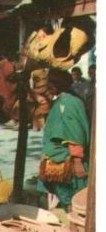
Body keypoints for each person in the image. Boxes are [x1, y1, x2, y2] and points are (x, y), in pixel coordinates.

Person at [37, 69, 90, 211]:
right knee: (66, 198)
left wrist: (78, 161)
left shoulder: (67, 104)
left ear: (54, 86)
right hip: (59, 159)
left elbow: (76, 133)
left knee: (73, 199)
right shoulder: (63, 101)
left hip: (67, 163)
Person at [0, 52, 18, 123]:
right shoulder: (9, 64)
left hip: (0, 85)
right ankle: (10, 118)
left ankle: (1, 117)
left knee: (1, 101)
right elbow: (10, 75)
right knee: (9, 101)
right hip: (7, 86)